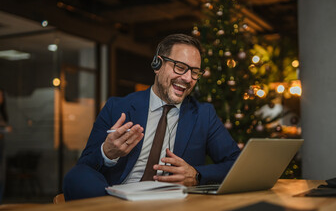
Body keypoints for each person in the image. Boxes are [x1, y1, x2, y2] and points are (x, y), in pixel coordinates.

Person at [63, 34, 241, 200]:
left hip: (173, 203)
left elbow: (236, 163)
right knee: (76, 177)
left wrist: (196, 175)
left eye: (195, 72)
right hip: (118, 199)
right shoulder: (117, 107)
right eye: (180, 67)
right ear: (158, 64)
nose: (188, 78)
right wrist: (107, 153)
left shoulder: (204, 114)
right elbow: (85, 164)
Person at [0, 89, 12, 203]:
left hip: (2, 146)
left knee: (2, 176)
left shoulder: (3, 113)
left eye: (2, 95)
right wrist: (4, 129)